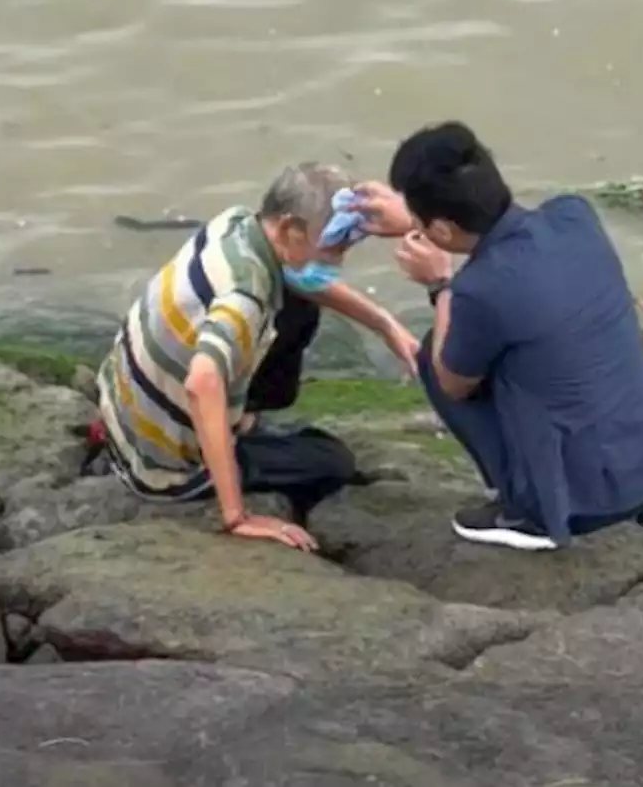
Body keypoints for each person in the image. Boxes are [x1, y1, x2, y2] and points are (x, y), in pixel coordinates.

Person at [353, 121, 643, 552]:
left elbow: (453, 383)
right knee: (588, 347)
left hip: (587, 501)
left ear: (440, 231)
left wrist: (440, 286)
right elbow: (517, 241)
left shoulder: (480, 289)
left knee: (438, 357)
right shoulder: (574, 215)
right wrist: (420, 218)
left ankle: (529, 513)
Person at [93, 162, 419, 551]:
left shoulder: (235, 225)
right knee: (332, 461)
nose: (338, 261)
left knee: (298, 306)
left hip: (122, 411)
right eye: (334, 246)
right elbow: (202, 383)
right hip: (160, 465)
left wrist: (384, 324)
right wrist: (237, 518)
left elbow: (302, 280)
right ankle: (228, 445)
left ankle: (240, 419)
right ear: (289, 230)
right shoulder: (244, 298)